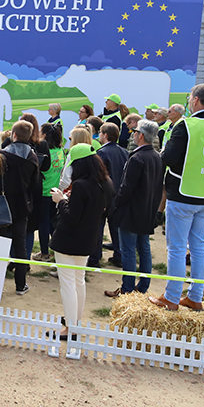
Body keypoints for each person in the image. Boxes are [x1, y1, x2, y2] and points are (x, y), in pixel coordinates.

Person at [151, 84, 204, 311]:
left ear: (196, 100)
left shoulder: (186, 125)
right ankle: (195, 296)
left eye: (190, 99)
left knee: (177, 248)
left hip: (183, 194)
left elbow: (168, 158)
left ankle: (171, 297)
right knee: (199, 246)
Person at [50, 143, 114, 338]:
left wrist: (61, 201)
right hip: (89, 238)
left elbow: (72, 217)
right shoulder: (106, 183)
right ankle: (75, 322)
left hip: (69, 240)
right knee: (79, 281)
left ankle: (70, 328)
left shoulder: (81, 185)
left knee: (68, 284)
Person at [105, 120, 163, 297]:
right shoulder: (156, 156)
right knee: (143, 248)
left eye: (135, 131)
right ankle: (143, 286)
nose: (133, 134)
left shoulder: (137, 158)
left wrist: (115, 205)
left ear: (141, 135)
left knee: (129, 249)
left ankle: (127, 288)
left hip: (132, 211)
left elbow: (126, 187)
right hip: (147, 209)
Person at [1, 121, 41, 295]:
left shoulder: (2, 155)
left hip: (3, 204)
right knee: (20, 245)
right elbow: (35, 185)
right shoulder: (32, 157)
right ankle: (20, 284)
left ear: (14, 135)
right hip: (22, 205)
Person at [95, 123, 128, 268]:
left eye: (101, 133)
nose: (99, 136)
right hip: (119, 194)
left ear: (105, 135)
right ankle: (119, 255)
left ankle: (95, 256)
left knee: (98, 226)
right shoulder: (124, 152)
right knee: (116, 227)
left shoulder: (101, 153)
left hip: (104, 195)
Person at [34, 123, 64, 261]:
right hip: (55, 192)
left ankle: (44, 253)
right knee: (53, 223)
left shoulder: (45, 153)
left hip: (44, 192)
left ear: (45, 135)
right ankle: (59, 250)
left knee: (43, 224)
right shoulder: (61, 151)